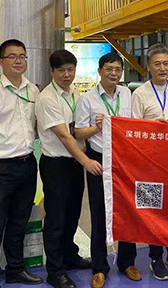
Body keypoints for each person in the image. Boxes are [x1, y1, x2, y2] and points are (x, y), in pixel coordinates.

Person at [0, 39, 43, 287]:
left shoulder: (33, 91)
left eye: (22, 56)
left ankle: (15, 270)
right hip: (1, 168)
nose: (18, 61)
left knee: (18, 223)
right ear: (1, 61)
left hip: (27, 164)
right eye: (12, 56)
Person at [75, 52, 141, 288]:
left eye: (117, 69)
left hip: (124, 159)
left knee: (128, 211)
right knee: (99, 213)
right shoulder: (87, 99)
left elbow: (134, 124)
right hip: (99, 160)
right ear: (100, 71)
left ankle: (127, 262)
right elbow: (78, 133)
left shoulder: (127, 94)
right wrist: (96, 127)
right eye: (109, 69)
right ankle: (99, 267)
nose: (113, 73)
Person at [36, 49, 99, 288]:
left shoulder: (75, 93)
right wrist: (86, 161)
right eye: (61, 70)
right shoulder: (47, 98)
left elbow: (80, 129)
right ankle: (55, 270)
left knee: (73, 213)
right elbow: (64, 135)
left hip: (74, 163)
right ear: (52, 71)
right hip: (56, 164)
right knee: (56, 217)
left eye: (70, 69)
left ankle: (70, 256)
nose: (66, 74)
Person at [131, 43, 168, 281]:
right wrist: (154, 127)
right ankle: (155, 257)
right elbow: (134, 128)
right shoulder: (140, 93)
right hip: (150, 162)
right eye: (157, 64)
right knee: (153, 209)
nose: (162, 68)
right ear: (148, 66)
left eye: (166, 63)